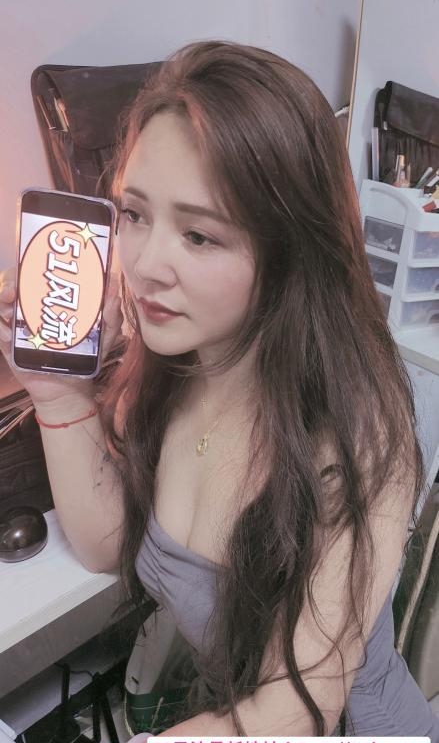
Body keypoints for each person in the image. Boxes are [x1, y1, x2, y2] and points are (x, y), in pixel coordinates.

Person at [0, 41, 438, 740]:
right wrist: (58, 394)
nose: (145, 266)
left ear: (290, 248)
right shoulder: (171, 368)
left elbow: (292, 710)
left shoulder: (356, 430)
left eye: (199, 236)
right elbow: (106, 543)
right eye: (134, 214)